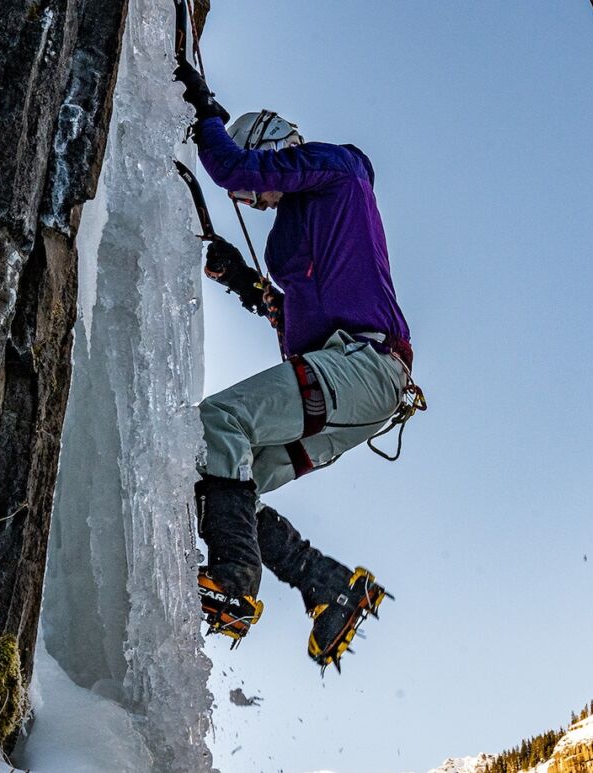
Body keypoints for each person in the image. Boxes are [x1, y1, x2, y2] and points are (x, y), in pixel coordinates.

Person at [174, 60, 414, 672]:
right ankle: (329, 586)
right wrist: (244, 283)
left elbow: (236, 164)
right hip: (355, 387)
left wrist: (204, 114)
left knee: (218, 422)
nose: (253, 201)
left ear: (277, 151)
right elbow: (298, 314)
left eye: (254, 192)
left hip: (363, 365)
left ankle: (234, 577)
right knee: (223, 479)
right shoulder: (297, 232)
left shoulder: (338, 169)